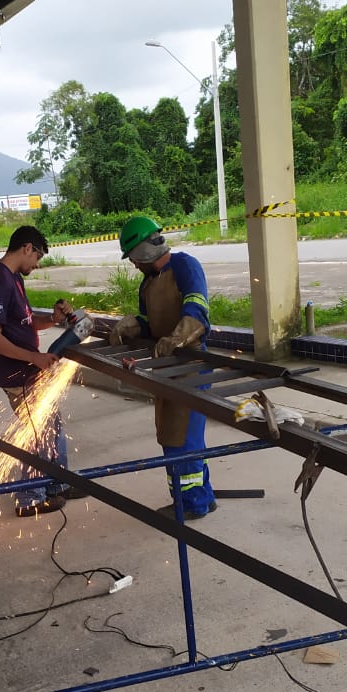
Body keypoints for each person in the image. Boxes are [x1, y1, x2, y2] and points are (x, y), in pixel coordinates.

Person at [108, 215, 218, 520]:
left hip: (192, 366)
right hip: (167, 369)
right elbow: (149, 323)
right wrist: (132, 325)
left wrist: (177, 337)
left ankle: (191, 505)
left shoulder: (185, 266)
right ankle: (203, 497)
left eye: (132, 257)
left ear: (142, 250)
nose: (133, 264)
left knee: (182, 444)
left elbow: (197, 310)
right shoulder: (148, 284)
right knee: (176, 439)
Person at [0, 225, 78, 517]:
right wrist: (33, 358)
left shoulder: (13, 279)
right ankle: (29, 498)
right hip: (18, 375)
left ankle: (57, 484)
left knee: (52, 426)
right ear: (26, 248)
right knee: (37, 434)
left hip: (29, 371)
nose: (37, 265)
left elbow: (23, 321)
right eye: (37, 257)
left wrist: (53, 319)